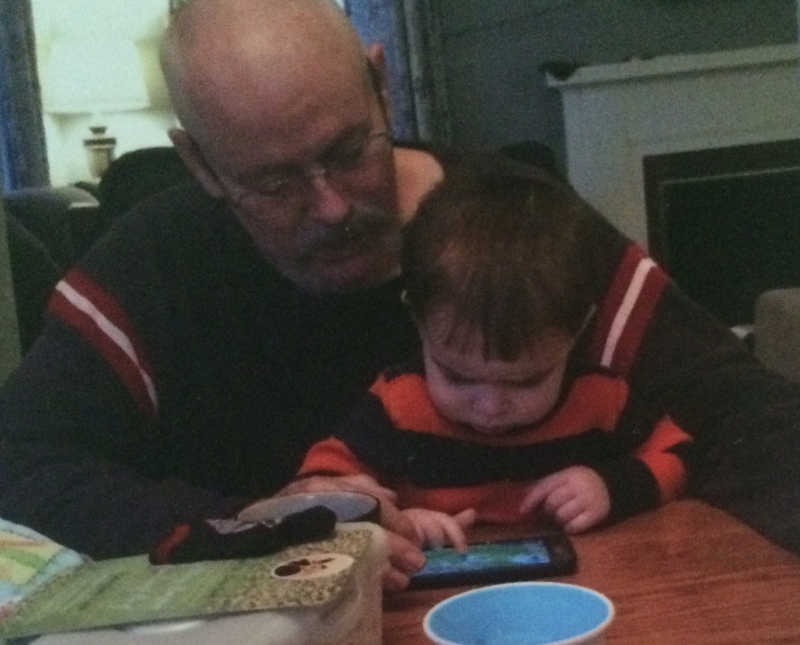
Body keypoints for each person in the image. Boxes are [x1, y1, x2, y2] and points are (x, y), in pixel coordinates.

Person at [0, 0, 797, 592]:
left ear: (381, 85)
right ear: (200, 164)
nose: (332, 205)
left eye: (349, 149)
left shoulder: (520, 230)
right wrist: (251, 523)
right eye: (274, 182)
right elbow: (21, 461)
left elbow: (747, 415)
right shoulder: (149, 265)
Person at [297, 159, 693, 551]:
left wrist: (613, 488)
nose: (490, 407)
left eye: (526, 380)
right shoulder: (398, 404)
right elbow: (320, 488)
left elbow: (679, 453)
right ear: (418, 323)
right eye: (457, 376)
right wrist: (394, 522)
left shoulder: (599, 398)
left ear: (578, 330)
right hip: (432, 596)